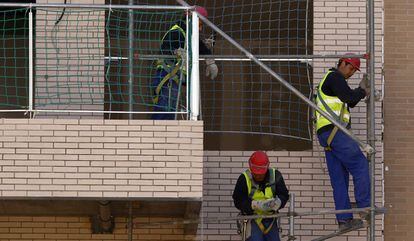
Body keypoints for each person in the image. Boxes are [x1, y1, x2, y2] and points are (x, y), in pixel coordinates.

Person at [315, 53, 371, 230]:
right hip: (336, 133)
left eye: (355, 70)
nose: (352, 72)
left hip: (327, 136)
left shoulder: (332, 81)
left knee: (339, 179)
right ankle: (364, 207)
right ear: (343, 63)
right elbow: (350, 97)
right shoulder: (335, 77)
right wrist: (362, 90)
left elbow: (350, 101)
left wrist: (359, 93)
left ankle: (344, 220)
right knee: (360, 165)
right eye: (351, 68)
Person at [151, 6, 218, 120]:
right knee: (165, 109)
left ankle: (165, 134)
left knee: (170, 109)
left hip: (174, 77)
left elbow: (201, 47)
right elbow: (166, 48)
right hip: (167, 76)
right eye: (200, 25)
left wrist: (210, 61)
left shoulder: (188, 35)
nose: (200, 29)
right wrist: (177, 51)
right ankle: (159, 134)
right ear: (192, 19)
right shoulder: (176, 31)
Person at [232, 151, 289, 241]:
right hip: (253, 219)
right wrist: (255, 205)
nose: (258, 176)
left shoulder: (275, 176)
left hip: (271, 219)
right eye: (255, 174)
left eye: (261, 174)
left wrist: (278, 202)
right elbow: (238, 200)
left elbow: (284, 194)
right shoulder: (244, 178)